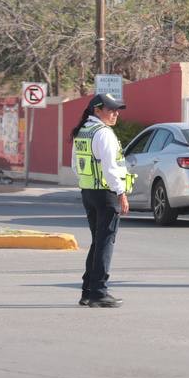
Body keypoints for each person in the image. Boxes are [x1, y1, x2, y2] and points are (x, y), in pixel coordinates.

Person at [70, 93, 136, 308]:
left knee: (98, 242)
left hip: (88, 191)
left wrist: (87, 184)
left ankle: (88, 291)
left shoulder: (84, 131)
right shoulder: (103, 133)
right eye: (111, 110)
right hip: (106, 193)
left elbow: (75, 165)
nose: (116, 114)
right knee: (105, 243)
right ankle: (98, 292)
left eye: (117, 110)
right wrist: (121, 193)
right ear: (97, 110)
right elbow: (110, 168)